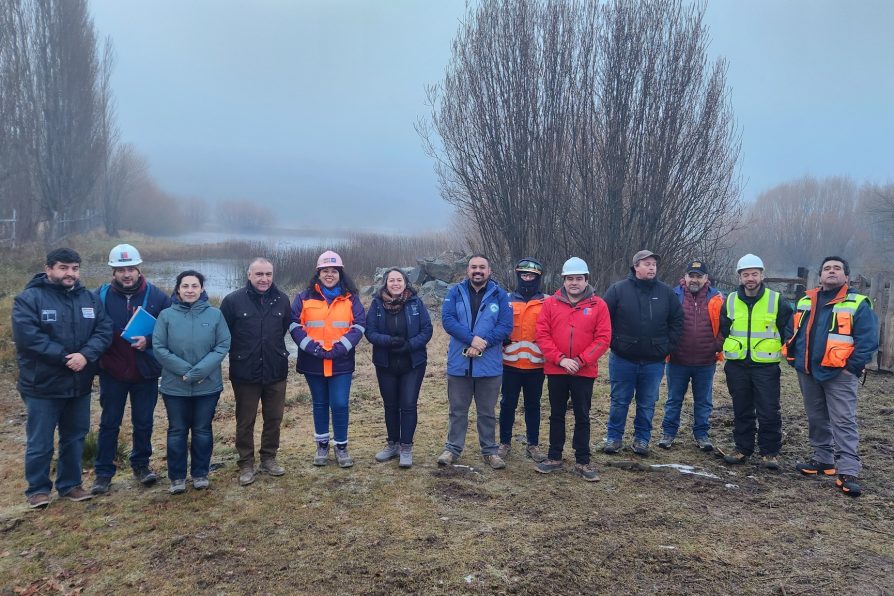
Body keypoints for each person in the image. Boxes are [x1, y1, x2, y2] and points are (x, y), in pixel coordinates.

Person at [12, 248, 113, 508]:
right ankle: (38, 489)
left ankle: (70, 485)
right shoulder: (29, 299)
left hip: (79, 384)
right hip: (42, 386)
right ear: (48, 269)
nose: (70, 273)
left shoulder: (89, 299)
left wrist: (86, 355)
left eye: (75, 268)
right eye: (63, 268)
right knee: (41, 441)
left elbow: (104, 330)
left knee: (75, 437)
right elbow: (28, 338)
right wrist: (65, 357)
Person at [787, 257, 879, 496]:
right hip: (808, 370)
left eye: (837, 268)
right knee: (816, 417)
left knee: (843, 420)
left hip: (840, 373)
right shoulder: (806, 301)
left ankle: (848, 470)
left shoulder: (857, 303)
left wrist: (852, 367)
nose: (831, 271)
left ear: (846, 276)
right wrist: (794, 358)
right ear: (820, 275)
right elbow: (792, 330)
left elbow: (868, 339)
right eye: (827, 268)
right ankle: (823, 459)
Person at [91, 244, 172, 495]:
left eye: (131, 269)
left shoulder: (158, 297)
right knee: (109, 423)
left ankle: (141, 465)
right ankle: (103, 473)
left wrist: (149, 341)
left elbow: (170, 329)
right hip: (112, 371)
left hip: (145, 372)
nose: (127, 274)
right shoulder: (99, 297)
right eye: (121, 270)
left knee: (144, 422)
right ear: (113, 271)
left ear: (139, 269)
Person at [154, 270, 231, 494]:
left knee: (202, 430)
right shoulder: (166, 315)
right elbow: (159, 347)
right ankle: (177, 477)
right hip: (174, 386)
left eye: (194, 286)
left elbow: (222, 345)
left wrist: (198, 372)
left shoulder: (215, 315)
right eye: (185, 286)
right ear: (178, 289)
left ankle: (200, 473)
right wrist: (185, 372)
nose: (190, 290)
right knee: (177, 430)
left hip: (207, 386)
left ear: (202, 289)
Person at [534, 257, 611, 481]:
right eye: (570, 279)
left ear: (586, 280)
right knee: (556, 414)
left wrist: (580, 360)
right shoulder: (550, 304)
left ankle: (583, 461)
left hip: (583, 371)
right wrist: (560, 360)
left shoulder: (599, 305)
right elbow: (542, 335)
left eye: (578, 278)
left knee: (582, 415)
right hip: (556, 369)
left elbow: (603, 338)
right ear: (564, 280)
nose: (574, 283)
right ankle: (554, 456)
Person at [602, 250, 683, 456]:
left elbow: (677, 321)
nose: (652, 267)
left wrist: (667, 346)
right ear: (636, 266)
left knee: (647, 403)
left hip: (654, 361)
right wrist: (614, 343)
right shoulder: (618, 290)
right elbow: (603, 319)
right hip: (622, 359)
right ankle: (613, 438)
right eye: (647, 264)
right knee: (620, 401)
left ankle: (642, 440)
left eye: (654, 264)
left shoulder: (666, 293)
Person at [290, 251, 366, 468]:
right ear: (318, 273)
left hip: (341, 361)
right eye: (325, 271)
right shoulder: (303, 297)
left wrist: (340, 348)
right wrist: (312, 348)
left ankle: (341, 447)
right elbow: (294, 325)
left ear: (340, 274)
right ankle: (322, 445)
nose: (329, 274)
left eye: (334, 271)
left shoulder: (351, 298)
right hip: (312, 361)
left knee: (340, 404)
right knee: (320, 403)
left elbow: (359, 325)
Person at [220, 258, 291, 486]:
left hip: (275, 369)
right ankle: (246, 463)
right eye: (259, 274)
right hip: (245, 372)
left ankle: (268, 458)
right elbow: (223, 333)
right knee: (245, 420)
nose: (264, 279)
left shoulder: (283, 300)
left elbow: (284, 328)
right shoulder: (232, 301)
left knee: (274, 418)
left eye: (268, 274)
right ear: (249, 275)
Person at [437, 254, 513, 469]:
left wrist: (483, 343)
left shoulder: (500, 295)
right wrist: (472, 340)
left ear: (489, 271)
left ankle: (490, 451)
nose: (477, 271)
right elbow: (448, 320)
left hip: (489, 365)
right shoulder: (455, 292)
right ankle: (452, 449)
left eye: (482, 267)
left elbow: (505, 326)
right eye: (473, 267)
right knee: (457, 411)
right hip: (459, 363)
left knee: (487, 413)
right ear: (467, 270)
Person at [719, 254, 792, 469]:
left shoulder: (776, 300)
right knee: (741, 409)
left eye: (754, 274)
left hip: (765, 366)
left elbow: (787, 329)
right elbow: (725, 328)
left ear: (762, 275)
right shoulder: (730, 300)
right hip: (737, 364)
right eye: (745, 274)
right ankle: (742, 448)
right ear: (739, 277)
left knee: (768, 410)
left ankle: (769, 452)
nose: (750, 278)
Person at [365, 268, 433, 468]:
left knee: (408, 405)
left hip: (412, 362)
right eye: (392, 280)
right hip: (385, 363)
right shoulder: (377, 304)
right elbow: (370, 331)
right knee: (390, 405)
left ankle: (406, 447)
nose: (395, 283)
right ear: (386, 283)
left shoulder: (415, 303)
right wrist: (388, 341)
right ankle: (392, 444)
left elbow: (427, 329)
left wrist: (409, 345)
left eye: (399, 280)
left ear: (405, 282)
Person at [658, 260, 723, 452]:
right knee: (673, 399)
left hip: (706, 361)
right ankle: (668, 433)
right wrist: (668, 347)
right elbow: (664, 323)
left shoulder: (717, 298)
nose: (694, 280)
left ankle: (702, 435)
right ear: (685, 277)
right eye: (691, 275)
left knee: (703, 401)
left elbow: (725, 324)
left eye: (698, 276)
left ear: (706, 278)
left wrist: (717, 345)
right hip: (677, 360)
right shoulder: (673, 295)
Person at [498, 258, 548, 462]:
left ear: (538, 278)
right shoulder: (506, 300)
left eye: (532, 276)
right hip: (509, 363)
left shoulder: (547, 301)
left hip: (536, 364)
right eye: (524, 275)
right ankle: (504, 443)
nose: (528, 279)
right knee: (507, 404)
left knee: (533, 406)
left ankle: (533, 445)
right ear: (518, 276)